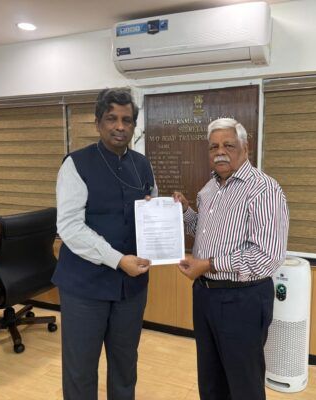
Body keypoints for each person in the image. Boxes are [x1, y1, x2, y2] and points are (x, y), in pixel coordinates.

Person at [173, 118, 289, 400]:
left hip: (242, 299)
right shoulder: (209, 189)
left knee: (243, 384)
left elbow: (268, 256)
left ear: (245, 148)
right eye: (213, 147)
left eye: (228, 145)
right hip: (205, 296)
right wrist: (186, 212)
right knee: (211, 380)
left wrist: (209, 264)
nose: (220, 152)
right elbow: (204, 231)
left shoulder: (263, 189)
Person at [52, 88, 157, 400]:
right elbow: (69, 227)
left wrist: (167, 211)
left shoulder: (142, 165)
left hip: (131, 288)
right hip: (84, 288)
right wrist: (117, 259)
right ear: (98, 123)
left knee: (125, 365)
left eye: (127, 120)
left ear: (134, 125)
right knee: (81, 369)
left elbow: (149, 213)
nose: (120, 126)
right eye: (112, 119)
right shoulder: (75, 164)